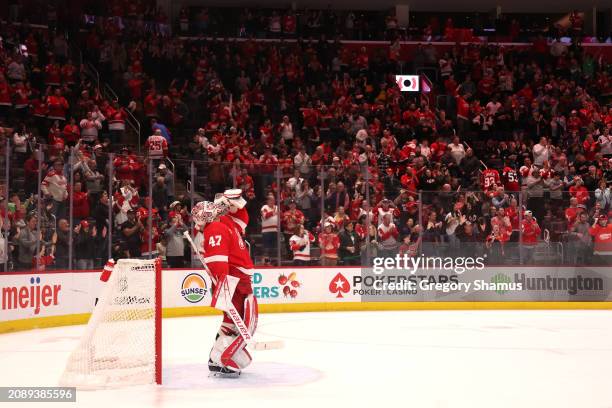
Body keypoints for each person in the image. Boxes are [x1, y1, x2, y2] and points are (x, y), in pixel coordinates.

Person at [191, 189, 256, 375]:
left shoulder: (224, 221)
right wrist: (224, 288)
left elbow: (243, 220)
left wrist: (234, 203)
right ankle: (219, 358)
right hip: (232, 281)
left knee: (231, 322)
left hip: (235, 280)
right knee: (235, 323)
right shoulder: (215, 229)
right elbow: (218, 262)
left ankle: (217, 358)